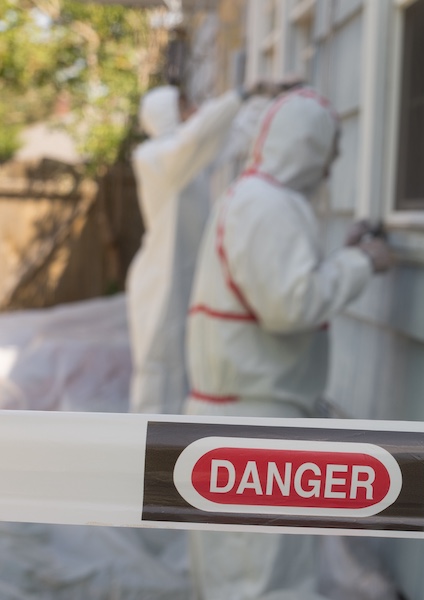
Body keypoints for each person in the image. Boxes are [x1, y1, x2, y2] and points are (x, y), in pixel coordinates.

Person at [183, 88, 391, 599]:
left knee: (233, 576)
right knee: (266, 582)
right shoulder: (268, 205)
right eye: (331, 150)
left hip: (237, 423)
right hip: (254, 433)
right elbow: (289, 305)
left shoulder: (253, 198)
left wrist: (339, 259)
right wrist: (364, 262)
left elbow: (276, 288)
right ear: (309, 145)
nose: (332, 164)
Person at [127, 81, 282, 415]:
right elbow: (198, 136)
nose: (193, 110)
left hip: (184, 273)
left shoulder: (187, 160)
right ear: (166, 113)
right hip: (158, 280)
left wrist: (265, 98)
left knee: (184, 365)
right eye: (185, 106)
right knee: (157, 369)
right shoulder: (154, 157)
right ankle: (142, 450)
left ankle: (170, 452)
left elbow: (235, 136)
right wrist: (239, 94)